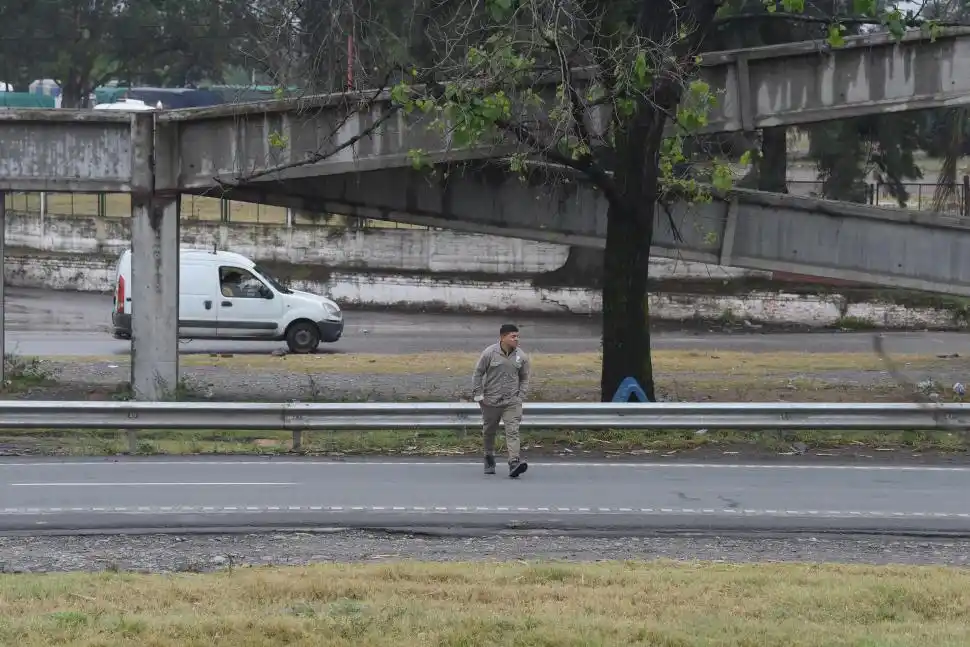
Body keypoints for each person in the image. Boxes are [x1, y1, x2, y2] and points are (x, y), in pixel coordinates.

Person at [472, 323, 531, 477]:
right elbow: (478, 373)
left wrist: (520, 396)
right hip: (491, 401)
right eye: (513, 336)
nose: (516, 339)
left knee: (512, 431)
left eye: (517, 336)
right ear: (502, 337)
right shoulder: (489, 353)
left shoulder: (521, 356)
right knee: (489, 431)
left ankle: (514, 462)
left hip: (512, 401)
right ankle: (489, 457)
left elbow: (524, 378)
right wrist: (478, 395)